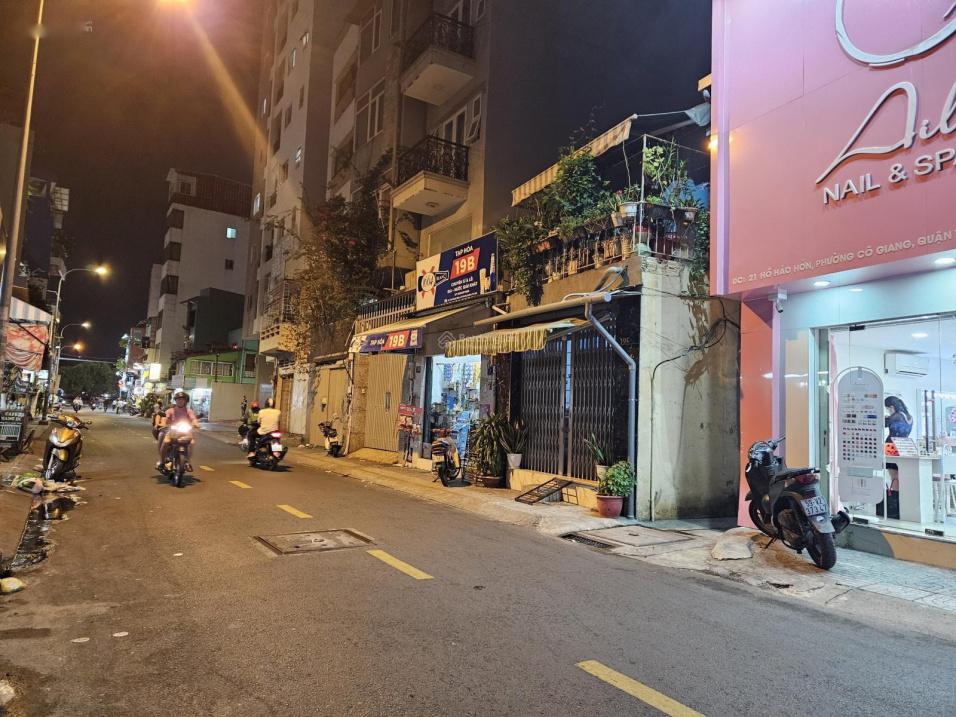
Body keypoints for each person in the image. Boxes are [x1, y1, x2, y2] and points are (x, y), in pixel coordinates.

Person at [157, 391, 200, 471]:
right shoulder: (170, 410)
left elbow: (193, 419)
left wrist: (196, 424)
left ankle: (187, 462)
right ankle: (162, 462)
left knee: (192, 443)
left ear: (185, 401)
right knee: (166, 442)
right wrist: (164, 423)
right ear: (175, 401)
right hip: (173, 432)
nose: (180, 401)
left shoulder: (189, 411)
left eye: (182, 399)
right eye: (178, 399)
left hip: (185, 432)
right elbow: (165, 418)